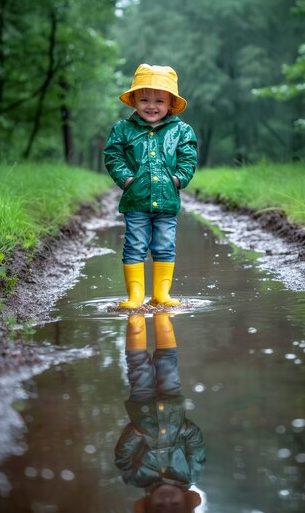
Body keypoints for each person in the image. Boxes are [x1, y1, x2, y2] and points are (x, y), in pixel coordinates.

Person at [103, 64, 198, 309]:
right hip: (136, 200)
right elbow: (113, 156)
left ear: (170, 103)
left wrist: (177, 179)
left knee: (165, 244)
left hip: (167, 200)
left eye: (159, 100)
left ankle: (161, 294)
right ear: (134, 100)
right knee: (135, 243)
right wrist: (127, 180)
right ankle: (135, 297)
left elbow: (188, 159)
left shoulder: (181, 130)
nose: (151, 105)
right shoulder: (123, 130)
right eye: (144, 99)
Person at [115, 312, 206, 512]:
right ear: (185, 500)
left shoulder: (136, 479)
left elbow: (122, 458)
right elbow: (197, 448)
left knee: (138, 367)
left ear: (148, 503)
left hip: (142, 408)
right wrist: (185, 430)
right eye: (174, 504)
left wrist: (134, 434)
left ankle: (135, 319)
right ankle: (162, 317)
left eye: (159, 506)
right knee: (168, 365)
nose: (166, 499)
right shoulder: (190, 474)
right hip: (172, 405)